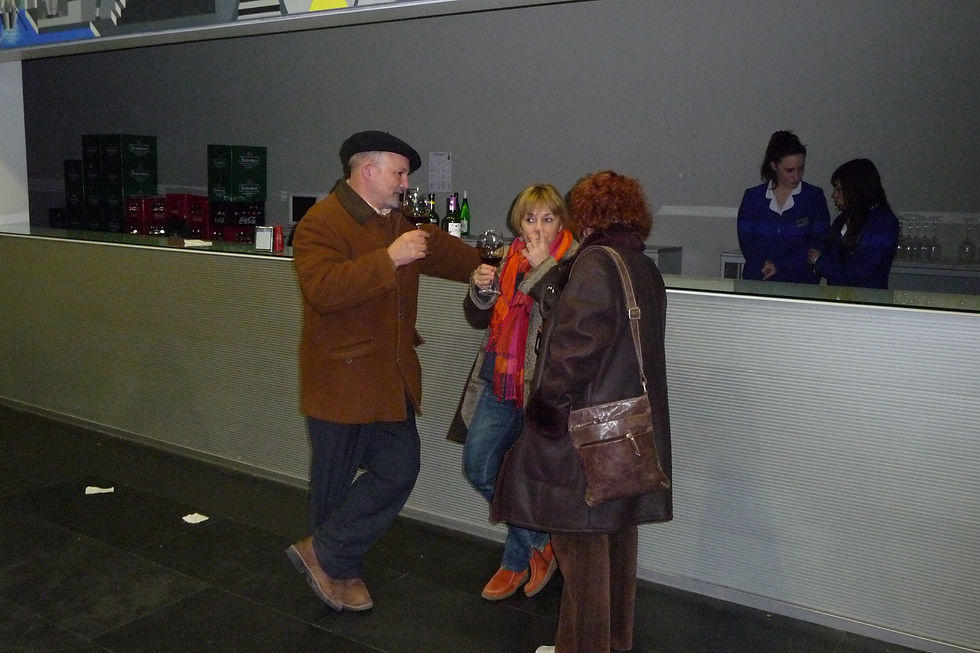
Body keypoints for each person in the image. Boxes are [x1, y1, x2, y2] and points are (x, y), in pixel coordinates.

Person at [286, 130, 482, 612]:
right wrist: (389, 259)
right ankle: (340, 568)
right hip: (340, 381)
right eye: (399, 173)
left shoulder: (399, 222)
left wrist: (496, 264)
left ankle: (323, 554)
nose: (405, 183)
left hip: (391, 380)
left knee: (399, 469)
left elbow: (452, 255)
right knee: (332, 487)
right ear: (367, 170)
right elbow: (323, 290)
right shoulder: (320, 223)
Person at [491, 171, 672, 653]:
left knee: (580, 545)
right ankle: (614, 641)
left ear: (587, 214)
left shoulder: (595, 263)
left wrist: (547, 409)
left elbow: (574, 349)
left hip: (586, 428)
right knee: (617, 540)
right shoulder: (642, 266)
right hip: (626, 431)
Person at [451, 184, 577, 601]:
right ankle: (540, 543)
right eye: (530, 218)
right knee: (478, 465)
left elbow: (568, 323)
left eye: (547, 218)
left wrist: (545, 271)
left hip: (541, 389)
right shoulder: (508, 257)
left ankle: (514, 563)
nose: (537, 228)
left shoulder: (576, 262)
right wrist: (479, 290)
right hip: (497, 379)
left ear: (561, 222)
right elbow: (477, 317)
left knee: (525, 477)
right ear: (518, 223)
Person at [737, 130, 830, 283]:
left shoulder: (814, 197)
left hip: (800, 282)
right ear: (774, 165)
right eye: (789, 170)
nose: (797, 176)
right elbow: (747, 244)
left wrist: (781, 266)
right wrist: (765, 266)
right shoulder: (753, 197)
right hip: (759, 278)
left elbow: (820, 244)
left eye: (801, 168)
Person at [807, 158, 899, 289]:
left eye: (839, 189)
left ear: (855, 190)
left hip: (866, 298)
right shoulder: (844, 218)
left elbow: (860, 272)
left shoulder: (883, 224)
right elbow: (828, 247)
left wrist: (819, 261)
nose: (834, 195)